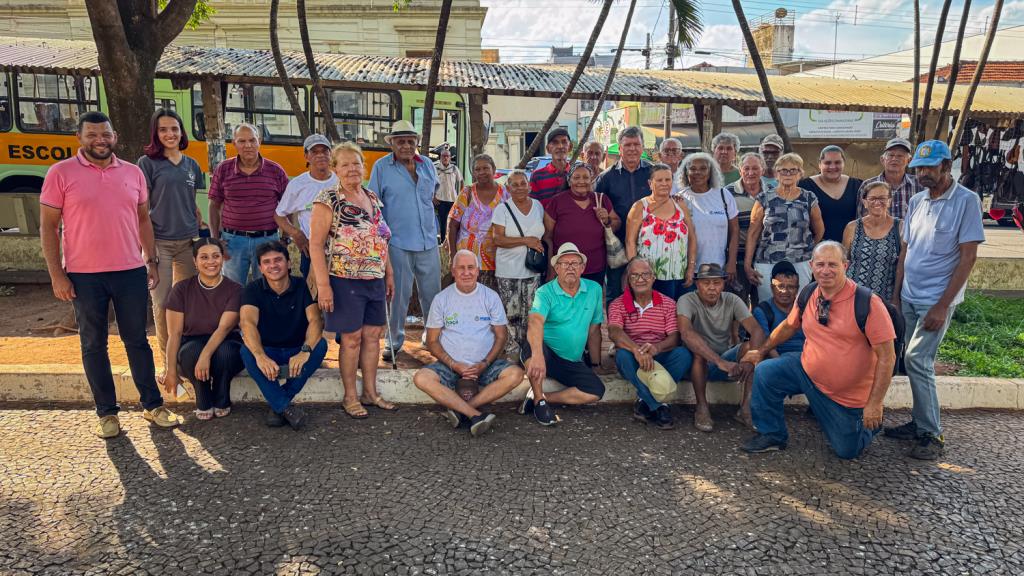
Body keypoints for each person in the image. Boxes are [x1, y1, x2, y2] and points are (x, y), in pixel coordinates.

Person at [40, 110, 180, 438]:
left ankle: (152, 405)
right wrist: (57, 275)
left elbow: (143, 219)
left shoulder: (132, 173)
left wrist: (150, 261)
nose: (99, 140)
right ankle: (107, 413)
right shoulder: (60, 173)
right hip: (84, 276)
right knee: (93, 344)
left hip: (130, 271)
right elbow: (48, 227)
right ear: (79, 138)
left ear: (114, 136)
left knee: (137, 341)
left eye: (105, 134)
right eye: (92, 135)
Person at [741, 242, 897, 459]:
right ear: (812, 266)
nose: (825, 271)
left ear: (846, 265)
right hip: (806, 371)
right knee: (766, 372)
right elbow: (788, 325)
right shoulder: (809, 293)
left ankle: (869, 425)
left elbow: (887, 357)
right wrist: (761, 350)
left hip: (846, 396)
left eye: (833, 264)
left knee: (847, 451)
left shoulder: (867, 303)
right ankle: (773, 434)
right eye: (820, 264)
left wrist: (875, 403)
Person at [885, 140, 985, 460]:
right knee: (912, 360)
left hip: (936, 299)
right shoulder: (917, 201)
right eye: (919, 169)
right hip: (910, 295)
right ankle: (919, 423)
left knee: (917, 359)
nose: (923, 174)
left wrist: (943, 305)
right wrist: (897, 296)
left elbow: (968, 258)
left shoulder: (966, 201)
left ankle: (931, 433)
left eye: (930, 167)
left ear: (946, 165)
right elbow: (906, 252)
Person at [310, 142, 396, 420]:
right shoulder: (329, 199)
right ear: (335, 169)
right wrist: (324, 286)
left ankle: (370, 392)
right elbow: (315, 245)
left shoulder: (372, 197)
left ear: (364, 166)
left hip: (374, 279)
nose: (351, 169)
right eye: (345, 164)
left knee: (373, 337)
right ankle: (350, 396)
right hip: (344, 279)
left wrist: (389, 274)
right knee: (351, 339)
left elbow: (382, 239)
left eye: (356, 163)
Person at [414, 250, 525, 436]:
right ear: (453, 271)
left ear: (478, 271)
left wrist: (485, 363)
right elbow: (432, 341)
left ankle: (461, 410)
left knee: (515, 374)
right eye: (461, 268)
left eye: (471, 268)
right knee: (421, 378)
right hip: (450, 366)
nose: (466, 272)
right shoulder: (441, 299)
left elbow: (501, 336)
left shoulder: (490, 297)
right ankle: (475, 415)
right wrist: (453, 364)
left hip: (484, 364)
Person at [137, 108, 206, 372]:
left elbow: (191, 203)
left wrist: (199, 225)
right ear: (156, 133)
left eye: (174, 129)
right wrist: (149, 253)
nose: (170, 134)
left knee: (189, 303)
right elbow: (142, 211)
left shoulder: (192, 165)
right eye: (163, 129)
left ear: (182, 132)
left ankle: (187, 357)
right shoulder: (147, 164)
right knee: (163, 303)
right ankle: (168, 364)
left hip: (188, 242)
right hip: (160, 244)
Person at [368, 120, 441, 362]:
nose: (407, 146)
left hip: (428, 240)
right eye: (401, 141)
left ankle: (432, 338)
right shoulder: (381, 168)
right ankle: (394, 340)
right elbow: (374, 206)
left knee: (432, 294)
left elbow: (433, 195)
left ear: (417, 143)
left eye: (411, 141)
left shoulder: (428, 165)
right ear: (392, 145)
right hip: (397, 243)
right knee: (397, 295)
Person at [239, 241, 329, 430]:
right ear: (261, 268)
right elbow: (247, 323)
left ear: (289, 263)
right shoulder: (252, 289)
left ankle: (278, 405)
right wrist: (260, 356)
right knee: (246, 351)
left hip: (296, 351)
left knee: (320, 346)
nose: (273, 266)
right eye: (267, 262)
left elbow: (315, 321)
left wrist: (304, 351)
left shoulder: (302, 286)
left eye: (278, 260)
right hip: (268, 351)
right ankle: (285, 406)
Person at [522, 243, 607, 426]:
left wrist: (596, 363)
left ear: (583, 268)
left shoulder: (594, 290)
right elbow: (535, 322)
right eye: (565, 263)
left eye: (575, 263)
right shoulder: (545, 292)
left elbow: (594, 329)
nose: (570, 267)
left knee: (595, 391)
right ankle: (539, 402)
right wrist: (538, 355)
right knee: (531, 347)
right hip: (547, 354)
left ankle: (545, 397)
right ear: (557, 268)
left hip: (571, 360)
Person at [677, 263, 765, 432]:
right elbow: (686, 333)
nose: (712, 288)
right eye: (706, 283)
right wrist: (718, 361)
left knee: (749, 347)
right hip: (698, 365)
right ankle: (702, 408)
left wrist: (750, 359)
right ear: (697, 284)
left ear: (724, 284)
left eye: (717, 283)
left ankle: (745, 408)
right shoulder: (687, 300)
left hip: (725, 358)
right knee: (698, 350)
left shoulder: (732, 300)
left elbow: (756, 330)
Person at [608, 257, 694, 430]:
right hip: (634, 358)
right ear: (627, 280)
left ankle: (644, 401)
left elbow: (675, 337)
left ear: (654, 277)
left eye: (645, 274)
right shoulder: (618, 304)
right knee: (622, 355)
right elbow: (614, 332)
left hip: (659, 354)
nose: (640, 280)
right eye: (635, 276)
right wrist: (636, 350)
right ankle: (659, 405)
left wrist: (656, 348)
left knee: (684, 355)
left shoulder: (668, 303)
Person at [163, 238, 244, 421]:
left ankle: (222, 394)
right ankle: (203, 395)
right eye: (204, 257)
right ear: (195, 261)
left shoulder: (235, 289)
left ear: (223, 258)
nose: (210, 262)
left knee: (225, 353)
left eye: (216, 256)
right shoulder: (181, 289)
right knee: (191, 352)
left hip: (226, 341)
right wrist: (171, 371)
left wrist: (205, 356)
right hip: (192, 343)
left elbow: (224, 329)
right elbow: (174, 334)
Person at [208, 122, 290, 284]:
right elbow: (213, 206)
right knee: (232, 291)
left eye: (252, 140)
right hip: (233, 242)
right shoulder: (223, 169)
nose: (248, 146)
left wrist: (285, 238)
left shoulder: (276, 171)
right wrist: (215, 239)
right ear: (234, 143)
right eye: (242, 141)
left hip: (268, 240)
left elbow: (288, 206)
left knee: (268, 289)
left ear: (259, 141)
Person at [745, 153, 824, 304]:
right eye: (783, 170)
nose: (788, 174)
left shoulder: (809, 198)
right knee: (768, 303)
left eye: (793, 170)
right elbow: (753, 233)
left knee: (800, 304)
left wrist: (806, 247)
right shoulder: (764, 198)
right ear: (776, 174)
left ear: (800, 173)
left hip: (801, 260)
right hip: (767, 260)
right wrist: (748, 264)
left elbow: (819, 229)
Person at [491, 169, 545, 359]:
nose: (520, 187)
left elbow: (545, 235)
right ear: (508, 188)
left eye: (523, 183)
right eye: (515, 184)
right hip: (508, 271)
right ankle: (513, 356)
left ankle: (530, 354)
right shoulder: (502, 209)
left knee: (532, 315)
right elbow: (498, 240)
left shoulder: (538, 206)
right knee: (511, 316)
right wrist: (526, 241)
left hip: (533, 271)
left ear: (529, 186)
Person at [595, 126, 652, 303]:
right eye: (627, 145)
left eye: (636, 144)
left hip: (649, 242)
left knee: (647, 289)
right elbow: (598, 208)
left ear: (643, 147)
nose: (632, 148)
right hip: (617, 244)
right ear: (619, 148)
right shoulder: (606, 178)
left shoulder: (654, 172)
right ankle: (615, 329)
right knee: (615, 291)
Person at [624, 162, 696, 300]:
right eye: (659, 180)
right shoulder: (640, 207)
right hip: (648, 277)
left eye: (668, 179)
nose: (664, 183)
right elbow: (630, 242)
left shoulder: (680, 204)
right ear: (650, 183)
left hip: (678, 274)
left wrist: (691, 268)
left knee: (677, 316)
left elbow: (692, 237)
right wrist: (635, 273)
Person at [274, 134, 338, 280]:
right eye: (314, 152)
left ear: (331, 154)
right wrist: (295, 233)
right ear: (306, 156)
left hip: (341, 250)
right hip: (312, 250)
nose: (320, 155)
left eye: (325, 151)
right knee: (313, 295)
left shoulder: (341, 180)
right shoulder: (298, 184)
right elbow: (279, 215)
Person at [544, 163, 619, 286]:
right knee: (565, 304)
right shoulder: (557, 202)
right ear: (569, 181)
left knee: (591, 304)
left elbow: (617, 223)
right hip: (564, 268)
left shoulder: (601, 199)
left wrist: (607, 220)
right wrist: (551, 267)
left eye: (585, 177)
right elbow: (548, 237)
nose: (581, 181)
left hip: (595, 268)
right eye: (576, 177)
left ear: (591, 180)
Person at [446, 153, 509, 290]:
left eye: (485, 168)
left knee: (491, 300)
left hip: (496, 260)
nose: (481, 172)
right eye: (477, 169)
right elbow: (452, 224)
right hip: (467, 261)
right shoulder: (467, 193)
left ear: (494, 169)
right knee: (466, 299)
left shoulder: (505, 193)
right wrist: (452, 256)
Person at [678, 152, 740, 283]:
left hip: (720, 268)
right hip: (689, 270)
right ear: (686, 172)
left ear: (711, 172)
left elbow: (735, 230)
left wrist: (731, 262)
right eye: (692, 169)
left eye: (703, 168)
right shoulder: (680, 199)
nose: (697, 172)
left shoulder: (724, 195)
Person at [725, 152, 775, 303]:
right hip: (738, 256)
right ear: (740, 170)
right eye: (746, 168)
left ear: (763, 170)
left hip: (765, 256)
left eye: (755, 168)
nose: (750, 173)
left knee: (763, 300)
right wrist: (731, 261)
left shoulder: (773, 192)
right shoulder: (727, 192)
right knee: (737, 300)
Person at [843, 182, 902, 302]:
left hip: (886, 297)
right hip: (853, 295)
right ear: (864, 202)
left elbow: (902, 266)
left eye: (882, 198)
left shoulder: (900, 226)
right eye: (872, 198)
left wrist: (896, 298)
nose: (877, 202)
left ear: (889, 201)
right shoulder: (852, 227)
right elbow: (843, 262)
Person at [799, 145, 863, 243]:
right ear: (820, 164)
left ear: (844, 163)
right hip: (816, 249)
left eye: (837, 162)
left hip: (849, 247)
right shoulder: (804, 186)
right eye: (827, 163)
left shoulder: (858, 185)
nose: (832, 167)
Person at [858, 137, 923, 219]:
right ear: (882, 160)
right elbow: (860, 219)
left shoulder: (919, 184)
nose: (894, 159)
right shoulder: (867, 185)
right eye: (891, 155)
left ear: (909, 161)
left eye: (900, 156)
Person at [751, 261, 805, 357]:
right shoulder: (763, 311)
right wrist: (781, 366)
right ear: (772, 288)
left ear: (797, 289)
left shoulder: (806, 309)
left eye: (791, 287)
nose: (785, 291)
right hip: (776, 359)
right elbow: (765, 345)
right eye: (780, 286)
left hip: (806, 358)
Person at [529, 127, 573, 205]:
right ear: (548, 149)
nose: (560, 146)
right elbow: (533, 206)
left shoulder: (576, 174)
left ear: (570, 147)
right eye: (555, 142)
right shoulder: (537, 176)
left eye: (564, 142)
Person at [433, 145, 463, 244]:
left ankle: (451, 241)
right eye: (443, 156)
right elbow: (429, 183)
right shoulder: (435, 168)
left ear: (450, 158)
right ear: (440, 157)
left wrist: (460, 195)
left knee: (452, 222)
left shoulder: (454, 169)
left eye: (447, 156)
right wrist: (433, 197)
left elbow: (461, 181)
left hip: (452, 200)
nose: (445, 158)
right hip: (440, 200)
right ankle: (442, 241)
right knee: (442, 222)